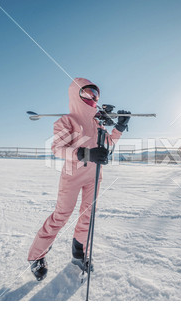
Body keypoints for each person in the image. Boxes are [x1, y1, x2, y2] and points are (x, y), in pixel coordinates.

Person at [27, 77, 130, 281]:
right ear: (76, 95)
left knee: (88, 215)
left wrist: (119, 128)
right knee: (62, 215)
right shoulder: (66, 121)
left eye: (95, 94)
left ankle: (79, 253)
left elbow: (108, 143)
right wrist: (85, 153)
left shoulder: (97, 123)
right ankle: (36, 256)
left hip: (94, 174)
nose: (92, 97)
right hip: (73, 174)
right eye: (87, 93)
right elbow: (57, 148)